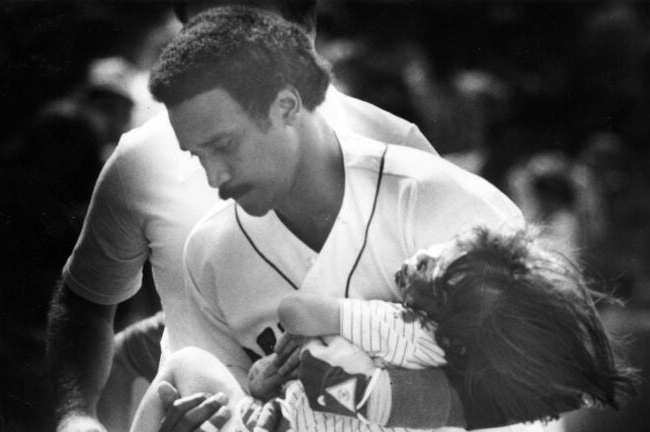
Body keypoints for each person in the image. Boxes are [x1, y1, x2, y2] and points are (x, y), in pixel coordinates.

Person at [46, 1, 439, 432]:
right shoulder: (144, 161)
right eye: (210, 32)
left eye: (253, 29)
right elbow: (85, 300)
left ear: (304, 29)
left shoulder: (395, 148)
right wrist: (76, 416)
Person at [147, 6, 538, 432]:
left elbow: (542, 391)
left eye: (224, 145)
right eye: (197, 154)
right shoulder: (211, 250)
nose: (213, 177)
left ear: (286, 105)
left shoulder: (443, 202)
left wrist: (366, 386)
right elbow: (236, 409)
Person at [129, 225, 636, 432]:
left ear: (451, 329)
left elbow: (340, 392)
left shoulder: (423, 381)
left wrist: (305, 370)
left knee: (185, 365)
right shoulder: (438, 373)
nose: (424, 253)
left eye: (435, 268)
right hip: (276, 413)